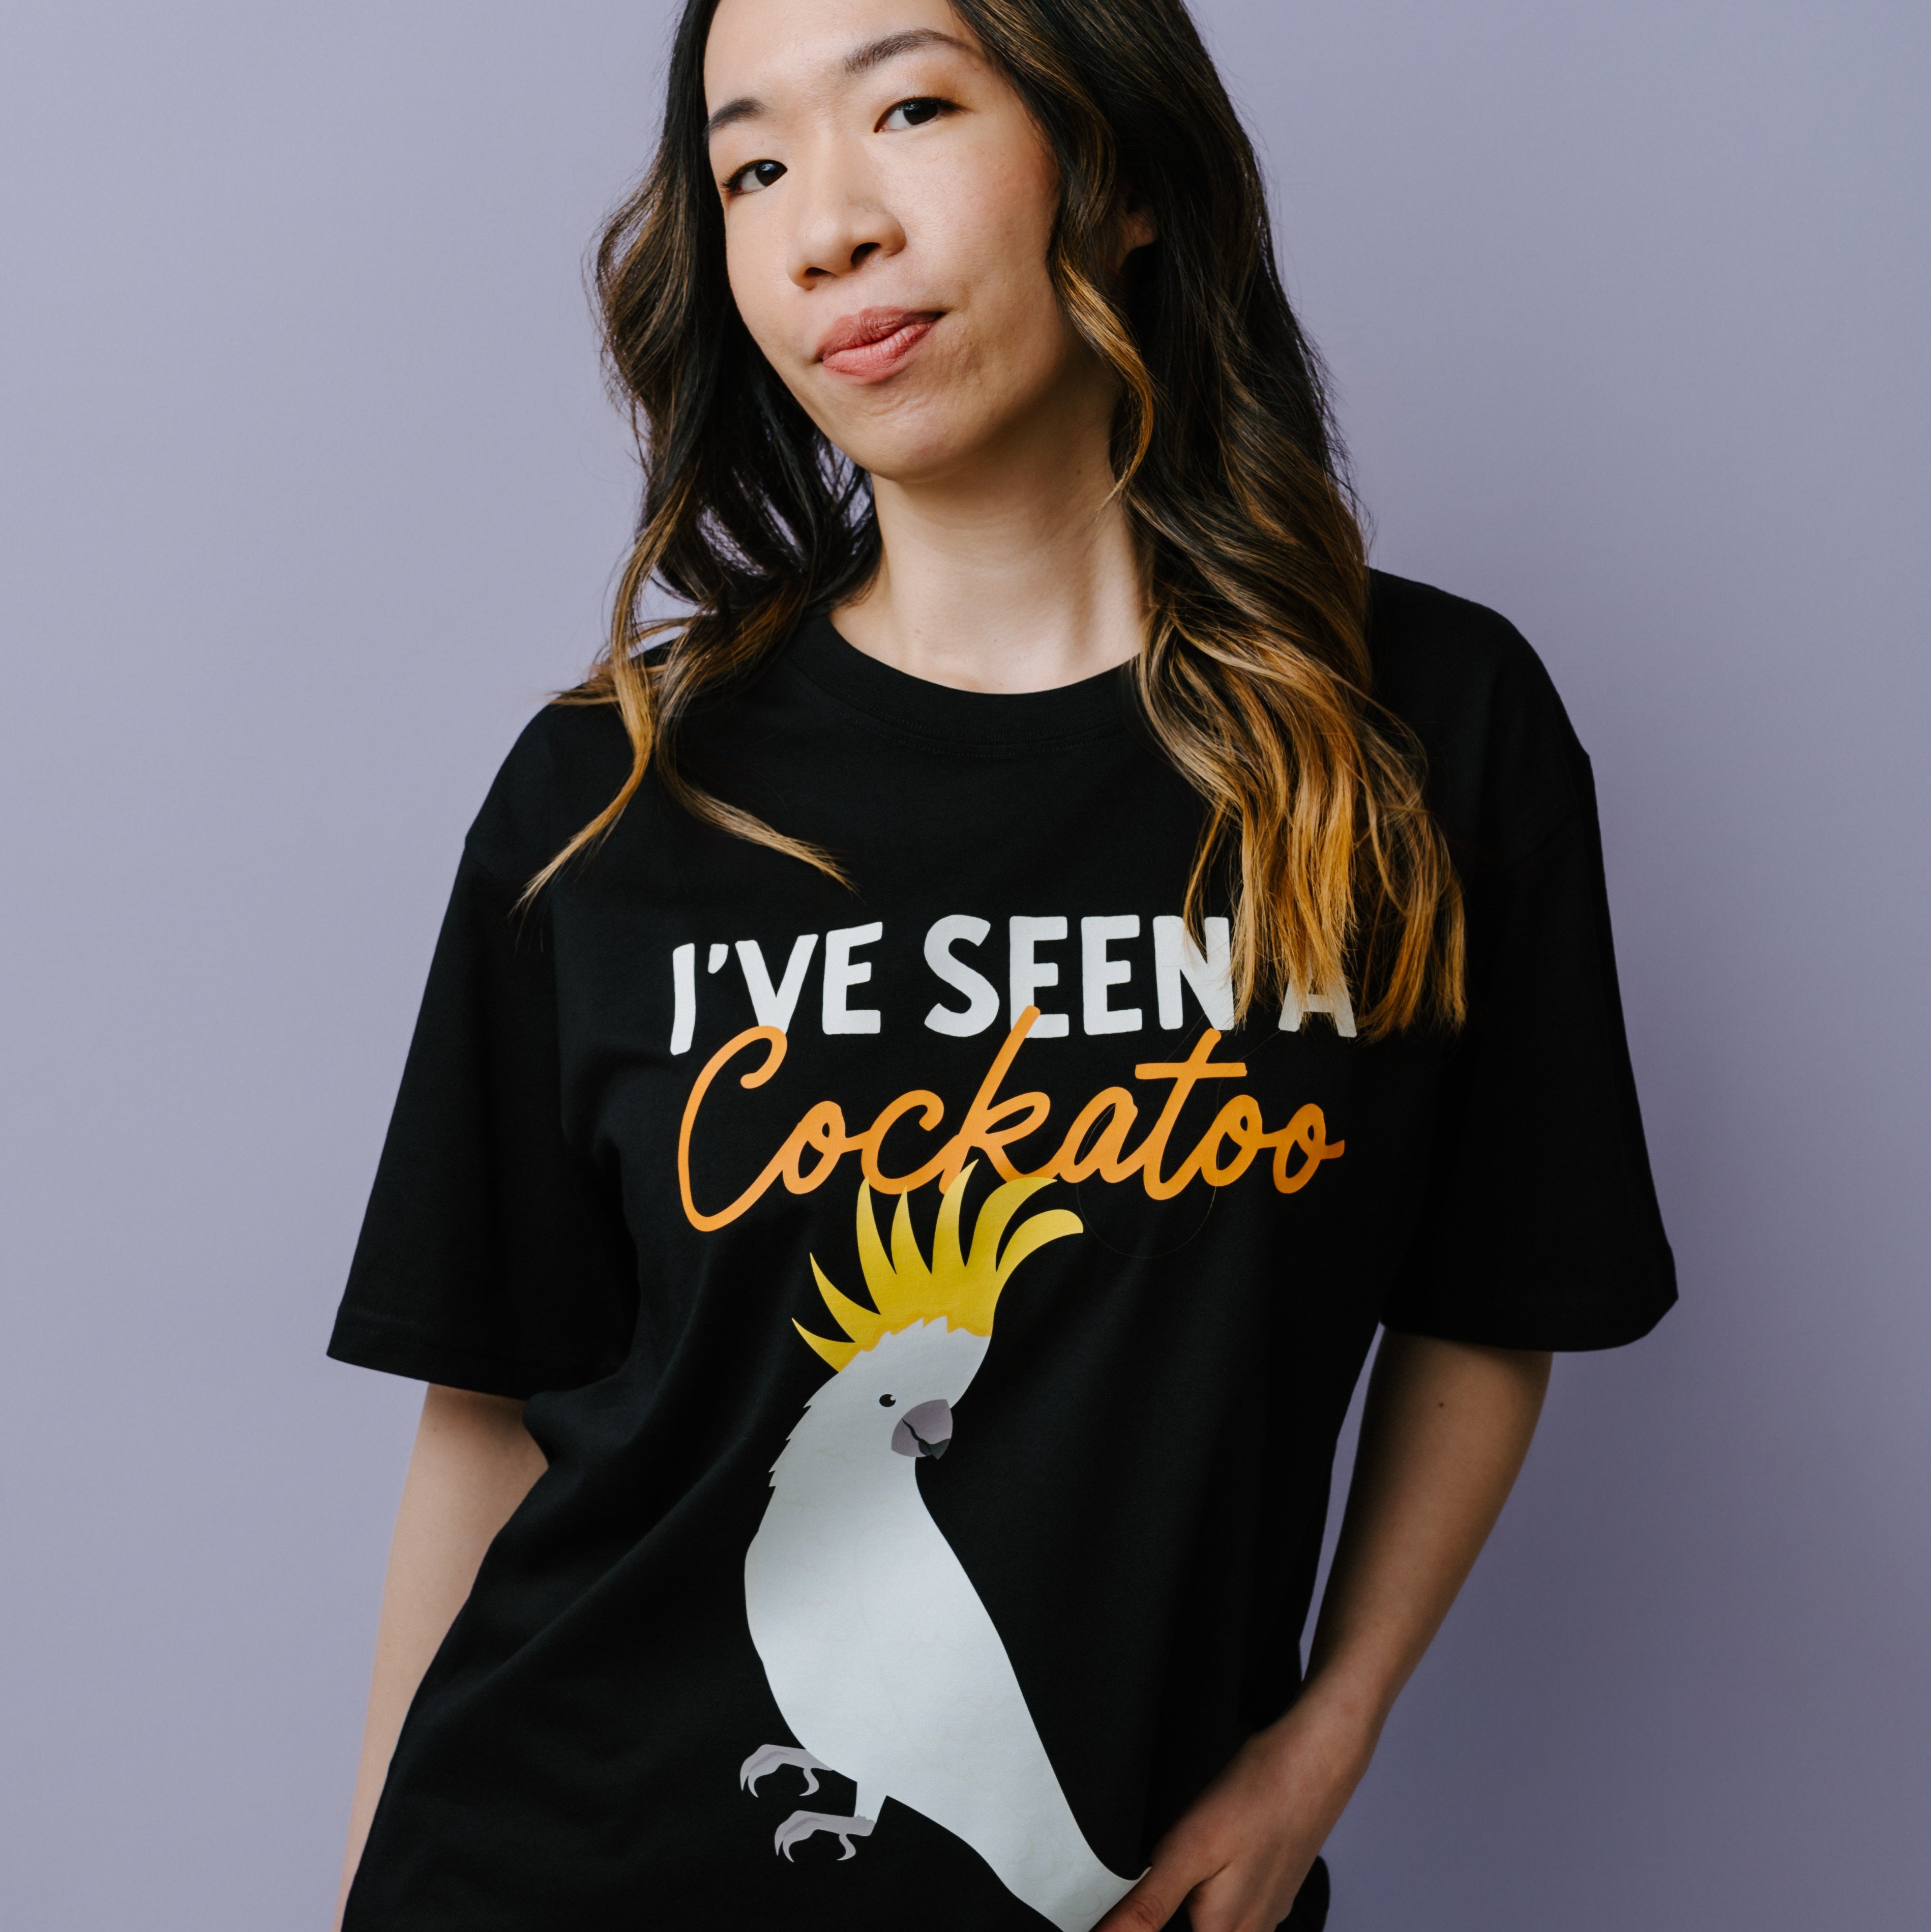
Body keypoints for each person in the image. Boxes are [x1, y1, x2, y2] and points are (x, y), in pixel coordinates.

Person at [326, 1, 1676, 1926]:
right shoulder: (614, 790)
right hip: (560, 1863)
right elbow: (489, 1410)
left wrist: (1324, 1737)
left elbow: (1496, 1285)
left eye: (912, 106)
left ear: (1115, 165)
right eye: (754, 167)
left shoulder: (1424, 734)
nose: (828, 225)